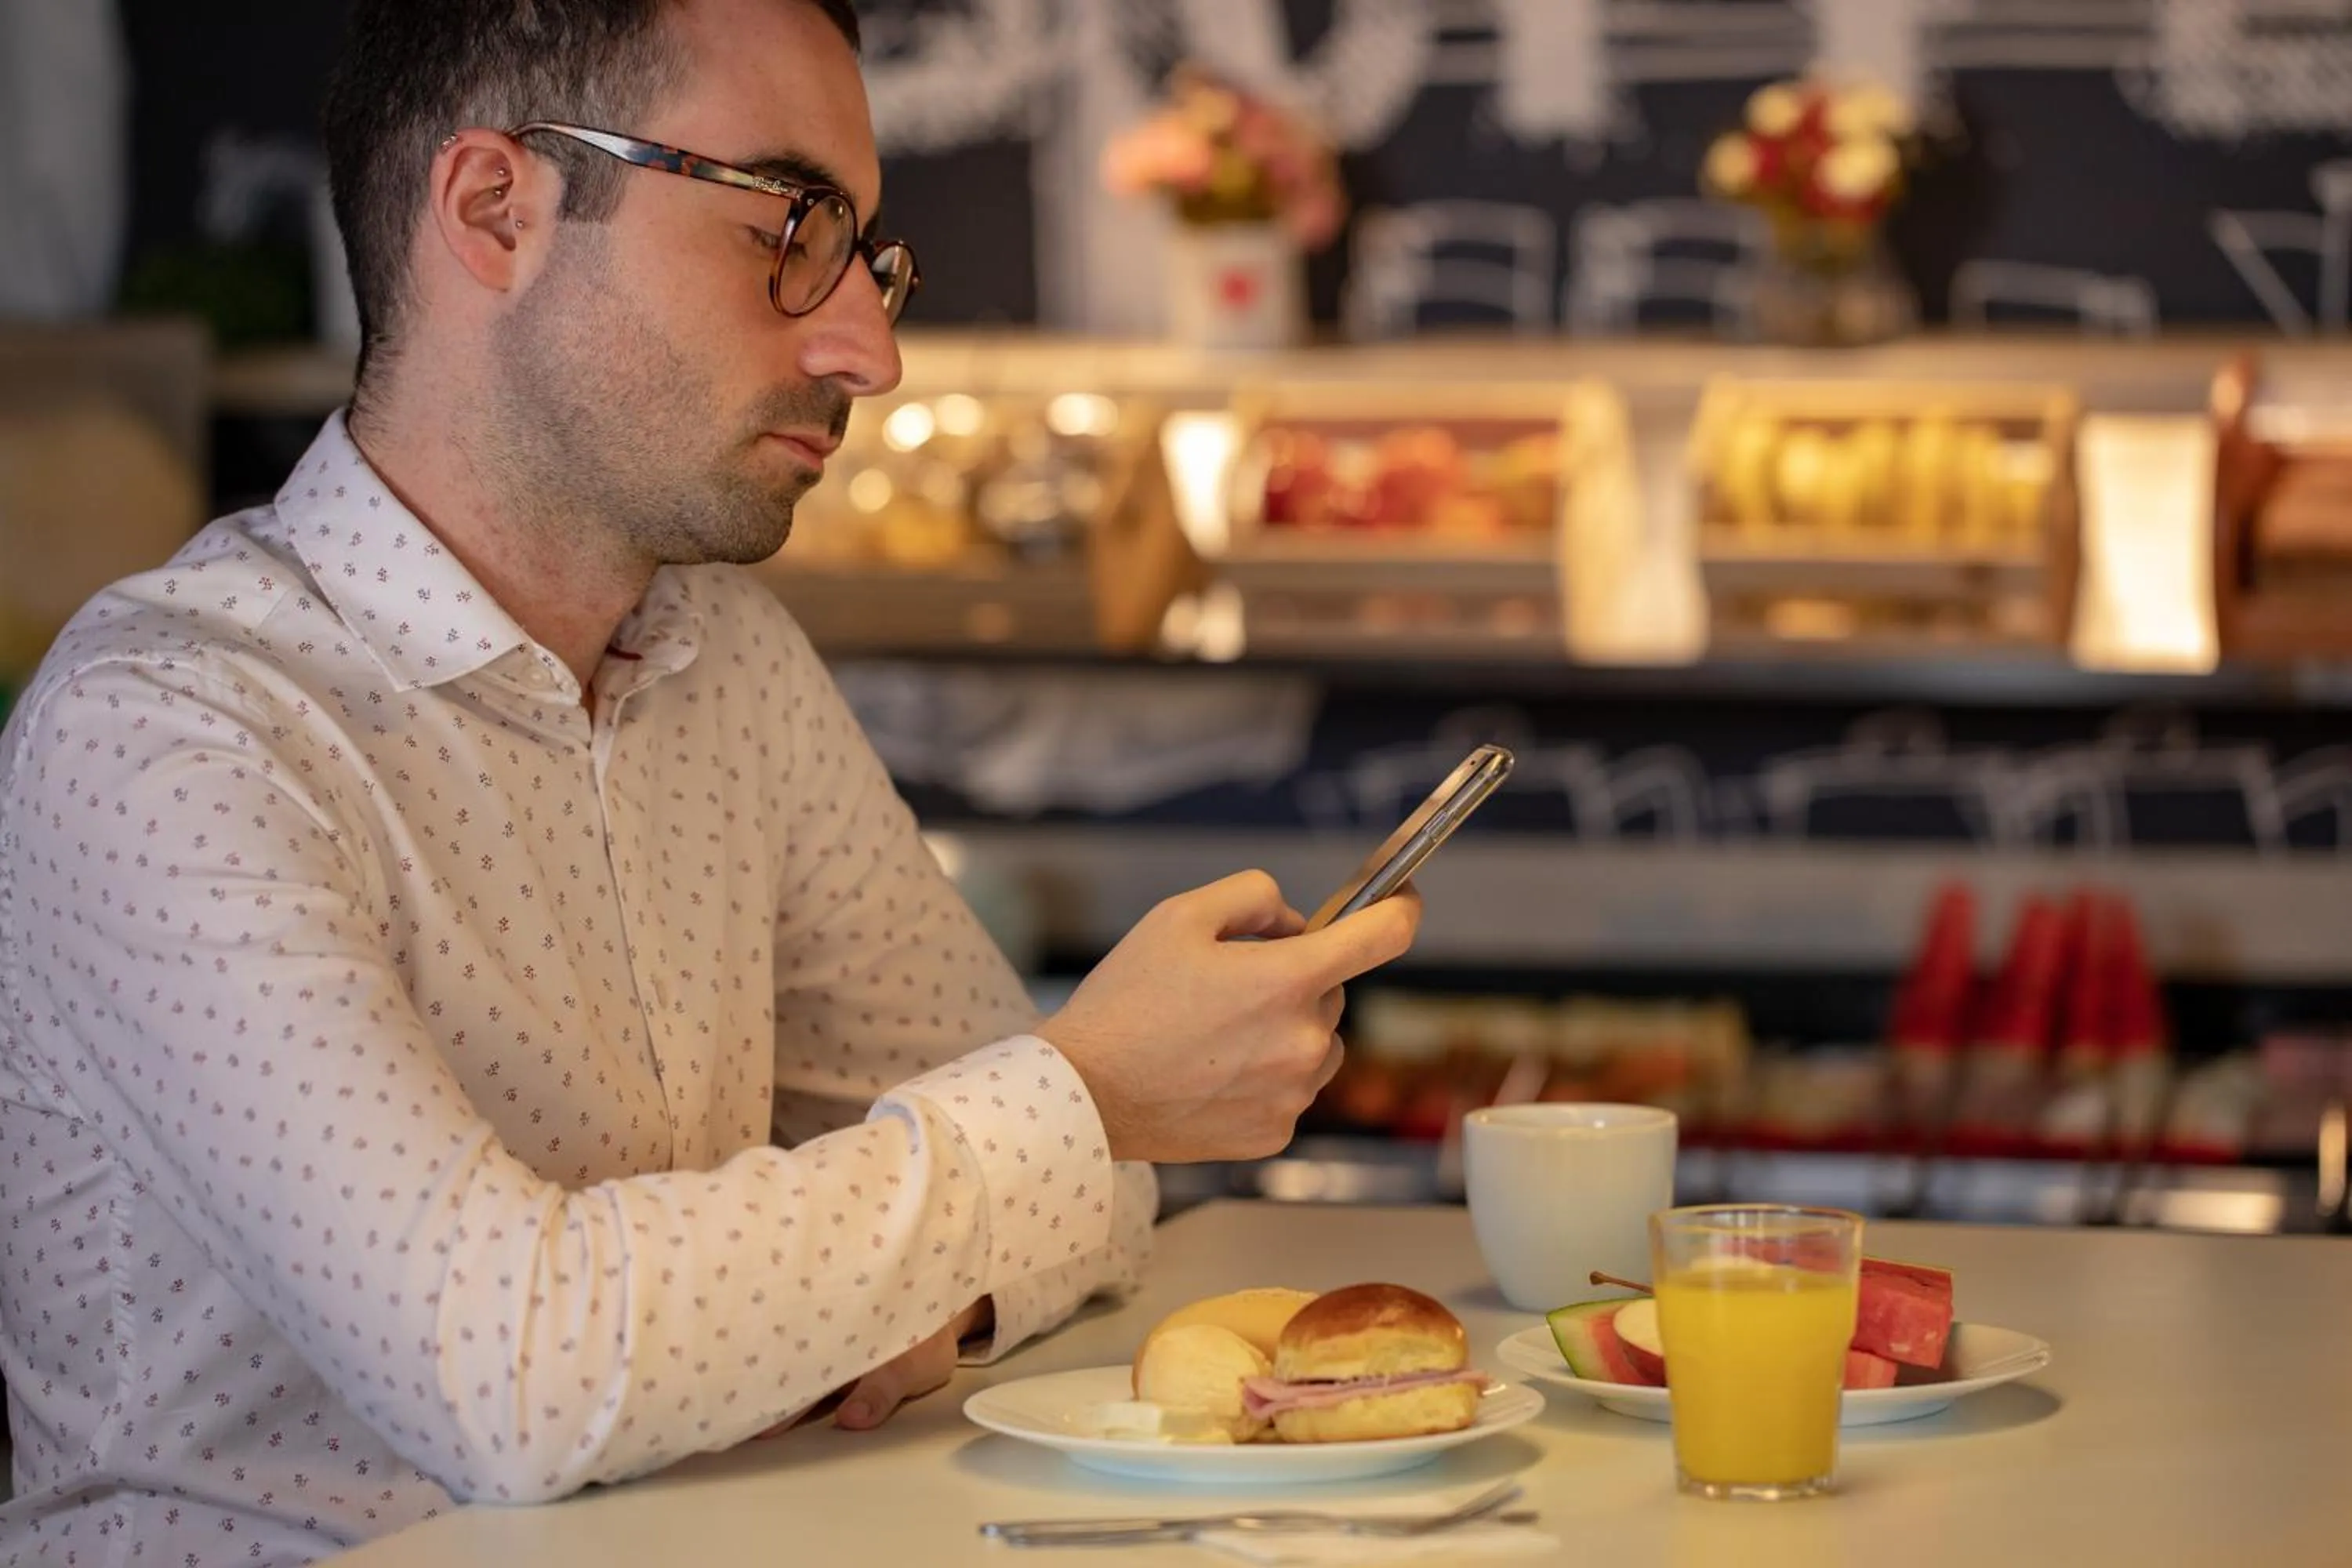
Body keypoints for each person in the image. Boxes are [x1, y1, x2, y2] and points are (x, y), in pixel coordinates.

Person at [0, 1, 1421, 1561]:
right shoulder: (172, 729)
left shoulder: (722, 661)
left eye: (863, 256)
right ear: (498, 212)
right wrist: (1077, 1102)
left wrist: (976, 1207)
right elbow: (510, 1367)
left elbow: (1079, 1198)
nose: (867, 348)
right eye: (787, 229)